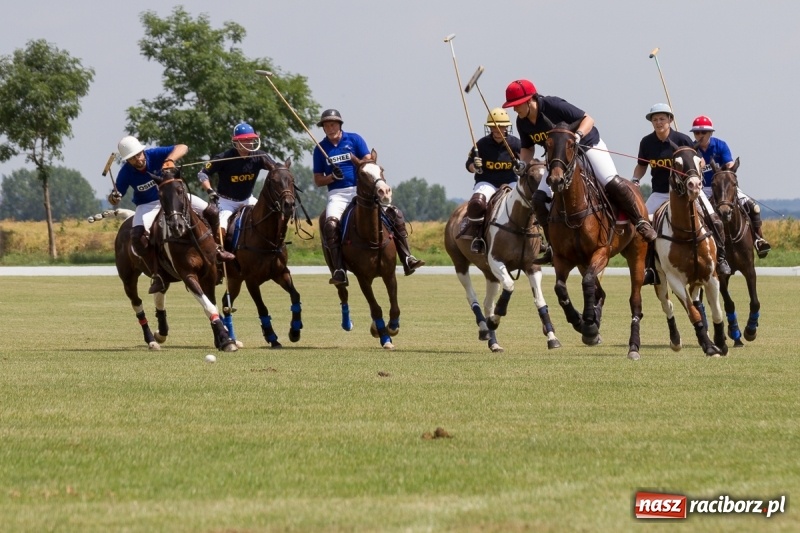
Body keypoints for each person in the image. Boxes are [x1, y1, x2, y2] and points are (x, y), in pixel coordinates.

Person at [502, 79, 657, 266]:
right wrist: (522, 163)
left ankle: (640, 222)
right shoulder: (522, 122)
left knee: (611, 182)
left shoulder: (553, 105)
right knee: (539, 199)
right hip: (560, 159)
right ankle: (553, 245)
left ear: (529, 100)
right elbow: (527, 148)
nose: (514, 109)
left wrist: (577, 136)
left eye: (517, 104)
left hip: (588, 146)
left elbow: (588, 119)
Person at [312, 108, 424, 286]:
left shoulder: (354, 139)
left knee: (395, 214)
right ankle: (339, 269)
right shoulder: (320, 149)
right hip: (338, 194)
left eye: (333, 124)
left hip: (361, 190)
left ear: (339, 125)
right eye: (326, 125)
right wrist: (332, 177)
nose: (330, 128)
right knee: (330, 225)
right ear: (323, 128)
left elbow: (369, 162)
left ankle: (407, 257)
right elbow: (318, 180)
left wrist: (361, 168)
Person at [108, 135, 232, 295]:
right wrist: (114, 197)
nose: (138, 160)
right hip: (147, 205)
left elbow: (183, 147)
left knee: (212, 212)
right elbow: (116, 196)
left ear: (142, 151)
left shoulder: (154, 154)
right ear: (128, 160)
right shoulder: (126, 172)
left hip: (173, 198)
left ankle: (217, 249)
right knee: (137, 238)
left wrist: (170, 159)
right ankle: (157, 274)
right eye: (132, 158)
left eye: (138, 155)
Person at [631, 104, 731, 282]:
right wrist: (635, 180)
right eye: (655, 119)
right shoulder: (646, 142)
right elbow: (641, 165)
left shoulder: (682, 139)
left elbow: (700, 162)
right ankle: (650, 267)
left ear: (670, 120)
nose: (659, 122)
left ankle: (721, 259)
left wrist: (692, 168)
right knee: (642, 225)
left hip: (687, 192)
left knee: (714, 219)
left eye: (662, 119)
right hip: (660, 192)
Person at [691, 115, 771, 258]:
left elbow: (729, 163)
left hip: (724, 187)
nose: (700, 135)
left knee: (753, 207)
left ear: (711, 133)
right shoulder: (692, 149)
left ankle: (759, 239)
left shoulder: (720, 145)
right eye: (697, 132)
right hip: (703, 189)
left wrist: (730, 167)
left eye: (704, 132)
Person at [197, 122, 279, 240]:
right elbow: (202, 173)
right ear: (236, 141)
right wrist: (210, 190)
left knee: (268, 218)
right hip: (226, 202)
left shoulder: (260, 156)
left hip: (248, 199)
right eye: (245, 140)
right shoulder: (224, 157)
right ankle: (220, 250)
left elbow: (276, 169)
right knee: (221, 229)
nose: (249, 143)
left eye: (251, 139)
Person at [460, 107, 522, 254]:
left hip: (510, 182)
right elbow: (468, 164)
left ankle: (536, 238)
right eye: (494, 127)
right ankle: (477, 237)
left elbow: (527, 162)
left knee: (526, 201)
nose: (497, 130)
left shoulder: (516, 144)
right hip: (487, 182)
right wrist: (475, 166)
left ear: (507, 127)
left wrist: (520, 166)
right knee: (477, 203)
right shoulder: (481, 145)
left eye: (501, 126)